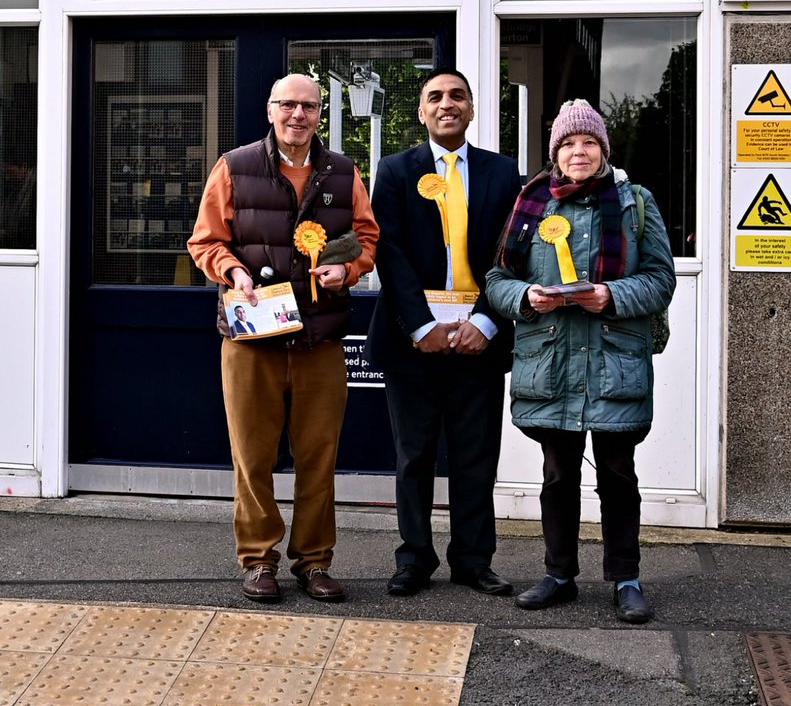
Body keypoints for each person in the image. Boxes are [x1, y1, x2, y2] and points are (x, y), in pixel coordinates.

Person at [188, 73, 379, 605]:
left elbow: (366, 238)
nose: (299, 115)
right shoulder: (234, 166)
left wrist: (350, 269)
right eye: (288, 105)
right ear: (270, 110)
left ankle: (314, 561)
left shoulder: (343, 172)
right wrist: (233, 273)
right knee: (252, 456)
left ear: (321, 114)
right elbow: (205, 241)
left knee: (319, 456)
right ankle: (258, 560)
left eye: (309, 107)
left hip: (320, 340)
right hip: (252, 339)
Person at [485, 99, 676, 624]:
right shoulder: (532, 206)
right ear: (555, 154)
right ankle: (559, 575)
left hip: (613, 364)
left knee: (618, 474)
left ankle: (626, 578)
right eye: (568, 144)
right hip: (553, 364)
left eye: (588, 142)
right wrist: (528, 298)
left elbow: (661, 279)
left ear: (603, 150)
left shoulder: (636, 202)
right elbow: (497, 281)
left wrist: (610, 294)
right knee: (557, 476)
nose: (578, 151)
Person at [366, 68, 523, 596]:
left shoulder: (504, 175)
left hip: (480, 336)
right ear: (421, 111)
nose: (446, 104)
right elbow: (389, 252)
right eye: (435, 97)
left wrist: (485, 320)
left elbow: (513, 254)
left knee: (476, 455)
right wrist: (421, 325)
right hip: (416, 340)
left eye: (457, 96)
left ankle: (474, 560)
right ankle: (414, 558)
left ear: (472, 109)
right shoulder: (393, 170)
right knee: (414, 455)